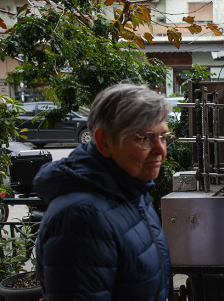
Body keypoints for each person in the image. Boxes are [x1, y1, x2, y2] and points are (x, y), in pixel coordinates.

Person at [33, 84, 174, 301]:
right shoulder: (79, 219)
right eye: (144, 138)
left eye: (163, 137)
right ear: (104, 141)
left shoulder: (132, 188)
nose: (161, 150)